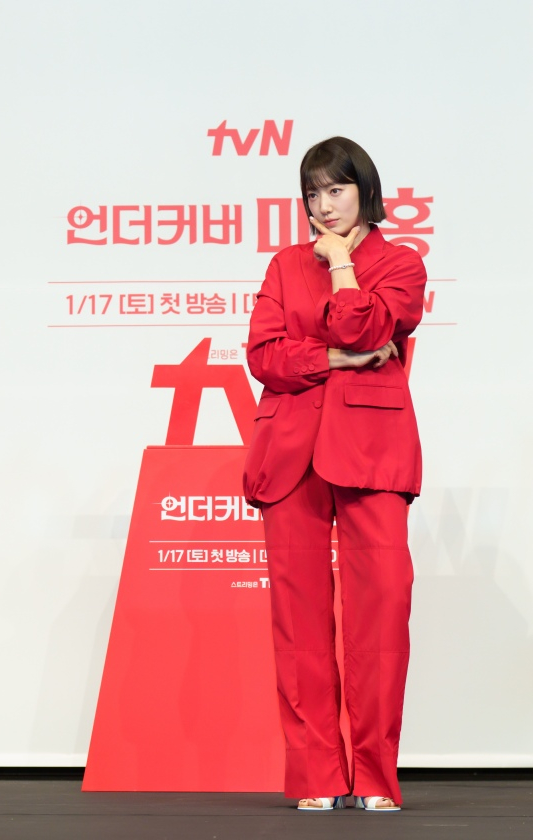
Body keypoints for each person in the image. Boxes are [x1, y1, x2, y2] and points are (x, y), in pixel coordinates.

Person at [243, 136, 427, 812]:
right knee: (298, 625)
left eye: (336, 190)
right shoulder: (285, 265)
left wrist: (343, 263)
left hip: (373, 451)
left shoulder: (401, 263)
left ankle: (375, 777)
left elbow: (365, 327)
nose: (324, 206)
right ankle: (318, 776)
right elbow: (264, 355)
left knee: (382, 612)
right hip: (290, 452)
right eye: (313, 193)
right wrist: (336, 361)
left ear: (365, 192)